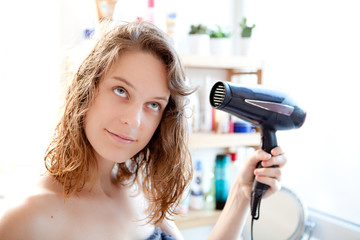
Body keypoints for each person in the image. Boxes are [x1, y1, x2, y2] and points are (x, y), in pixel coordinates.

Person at [0, 20, 286, 240]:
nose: (134, 120)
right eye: (121, 90)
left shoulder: (140, 188)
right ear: (86, 89)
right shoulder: (25, 219)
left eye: (153, 105)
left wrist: (240, 194)